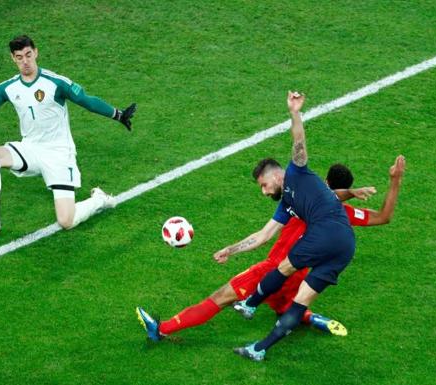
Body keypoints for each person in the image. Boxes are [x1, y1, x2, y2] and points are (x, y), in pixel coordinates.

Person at [135, 158, 401, 341]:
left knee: (219, 298)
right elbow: (383, 217)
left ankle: (161, 329)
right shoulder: (341, 214)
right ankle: (309, 317)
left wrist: (231, 249)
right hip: (297, 277)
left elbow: (263, 236)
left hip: (273, 271)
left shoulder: (303, 200)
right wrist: (394, 180)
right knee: (287, 308)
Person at [232, 92, 403, 361]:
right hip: (345, 247)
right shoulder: (292, 203)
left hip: (325, 234)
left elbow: (298, 140)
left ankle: (251, 304)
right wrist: (395, 180)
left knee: (284, 268)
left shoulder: (297, 171)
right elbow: (383, 216)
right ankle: (259, 349)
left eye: (264, 186)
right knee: (300, 302)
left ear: (276, 175)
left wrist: (295, 111)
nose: (264, 192)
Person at [0, 35, 136, 234]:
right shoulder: (8, 88)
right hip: (30, 148)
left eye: (28, 55)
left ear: (36, 52)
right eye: (19, 57)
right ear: (13, 58)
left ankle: (99, 199)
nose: (25, 61)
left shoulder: (56, 83)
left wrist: (118, 114)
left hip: (58, 153)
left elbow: (87, 100)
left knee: (66, 221)